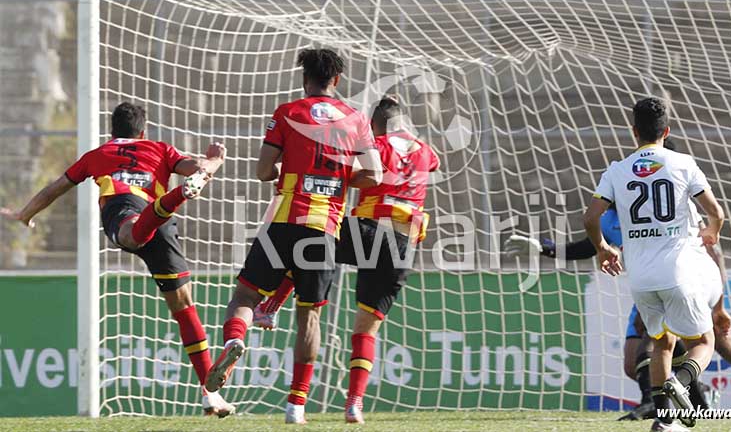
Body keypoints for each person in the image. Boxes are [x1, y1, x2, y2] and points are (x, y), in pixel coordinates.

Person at [506, 138, 731, 418]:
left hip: (687, 282)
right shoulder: (621, 212)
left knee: (711, 346)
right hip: (651, 285)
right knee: (638, 359)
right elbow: (585, 244)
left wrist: (717, 301)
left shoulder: (680, 206)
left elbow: (713, 249)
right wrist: (545, 248)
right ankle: (684, 397)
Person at [0, 102, 234, 416]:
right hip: (161, 220)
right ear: (143, 131)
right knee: (184, 307)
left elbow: (53, 189)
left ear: (112, 132)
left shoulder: (96, 156)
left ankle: (166, 205)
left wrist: (23, 214)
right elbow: (199, 170)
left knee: (130, 235)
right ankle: (210, 394)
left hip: (125, 209)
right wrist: (214, 161)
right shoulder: (160, 148)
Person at [203, 48, 382, 424]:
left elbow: (263, 171)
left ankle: (235, 339)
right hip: (325, 227)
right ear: (337, 80)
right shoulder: (356, 118)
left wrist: (290, 172)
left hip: (284, 221)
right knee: (309, 317)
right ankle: (296, 406)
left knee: (247, 296)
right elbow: (375, 176)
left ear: (306, 79)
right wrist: (336, 178)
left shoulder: (287, 112)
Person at [251, 95, 440, 424]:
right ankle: (354, 406)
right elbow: (433, 164)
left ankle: (270, 306)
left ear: (374, 125)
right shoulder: (425, 151)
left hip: (368, 228)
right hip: (402, 244)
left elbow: (350, 171)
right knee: (366, 331)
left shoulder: (377, 145)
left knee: (311, 246)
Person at [584, 97, 726, 431]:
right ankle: (681, 381)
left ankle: (664, 421)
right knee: (704, 343)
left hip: (640, 278)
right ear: (668, 130)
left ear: (633, 131)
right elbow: (716, 212)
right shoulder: (682, 163)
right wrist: (712, 231)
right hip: (678, 271)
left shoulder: (617, 169)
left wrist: (603, 249)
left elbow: (590, 217)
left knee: (662, 344)